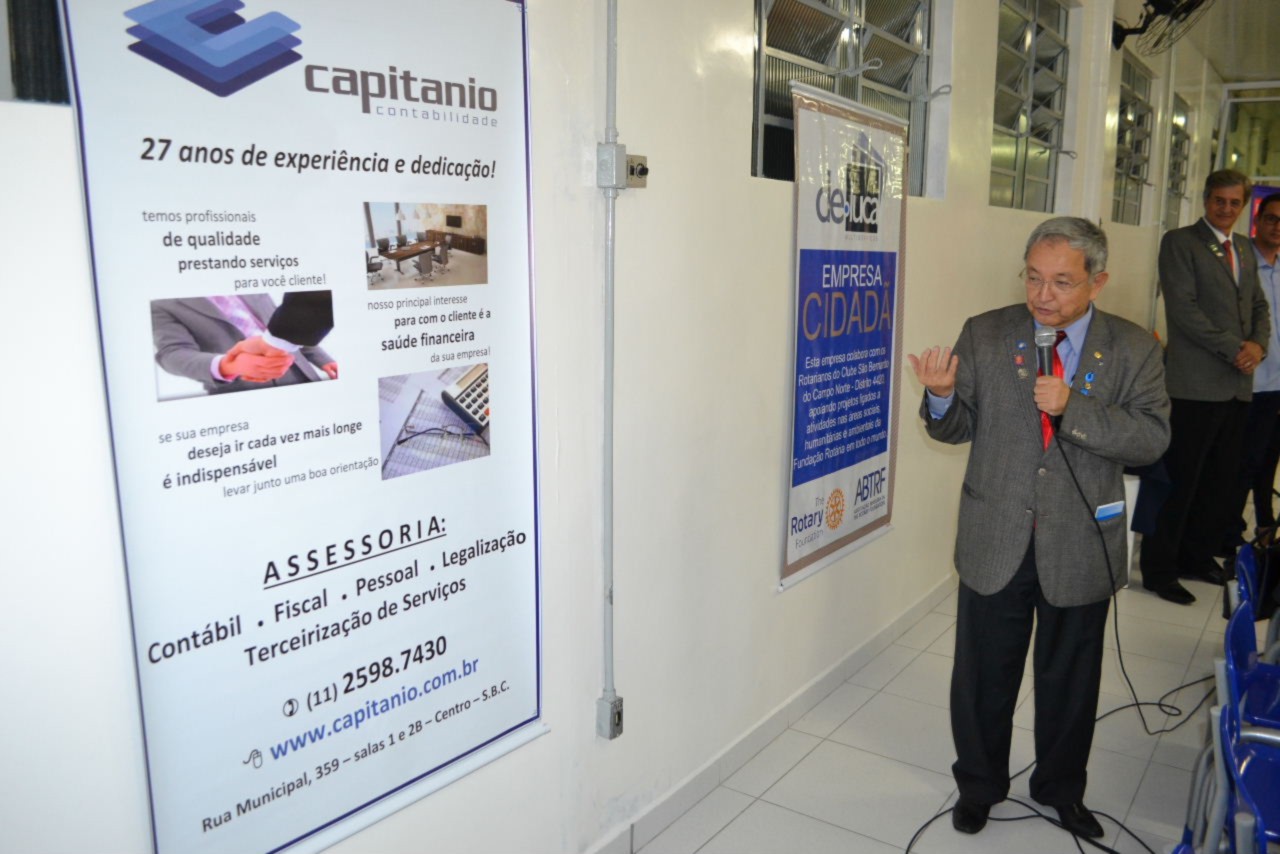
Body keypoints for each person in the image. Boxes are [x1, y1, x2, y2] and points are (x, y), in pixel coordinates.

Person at [908, 217, 1169, 839]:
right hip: (996, 534)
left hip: (1080, 542)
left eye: (1061, 282)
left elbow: (1151, 439)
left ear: (1097, 282)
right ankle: (979, 786)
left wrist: (1073, 407)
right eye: (1033, 278)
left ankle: (1060, 790)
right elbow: (956, 427)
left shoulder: (1134, 348)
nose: (1042, 295)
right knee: (982, 677)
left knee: (1070, 682)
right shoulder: (987, 332)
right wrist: (941, 396)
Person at [1140, 170, 1269, 605]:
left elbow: (1258, 306)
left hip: (1236, 386)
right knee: (1178, 482)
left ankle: (1195, 557)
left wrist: (1258, 345)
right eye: (1219, 200)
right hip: (1193, 386)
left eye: (1234, 202)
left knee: (1217, 481)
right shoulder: (1180, 243)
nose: (1226, 209)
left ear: (1243, 205)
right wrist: (1236, 347)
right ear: (1206, 199)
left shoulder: (1245, 247)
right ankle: (1160, 569)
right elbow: (1184, 310)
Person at [152, 292, 337, 395]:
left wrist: (322, 359)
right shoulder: (161, 303)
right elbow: (172, 353)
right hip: (242, 389)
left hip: (301, 371)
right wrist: (227, 365)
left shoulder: (246, 277)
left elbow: (286, 321)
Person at [1227, 193, 1280, 540]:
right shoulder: (1241, 264)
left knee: (1269, 460)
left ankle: (1265, 524)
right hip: (1250, 382)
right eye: (1271, 218)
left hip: (1278, 384)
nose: (1277, 227)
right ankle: (1229, 532)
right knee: (1243, 463)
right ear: (1258, 221)